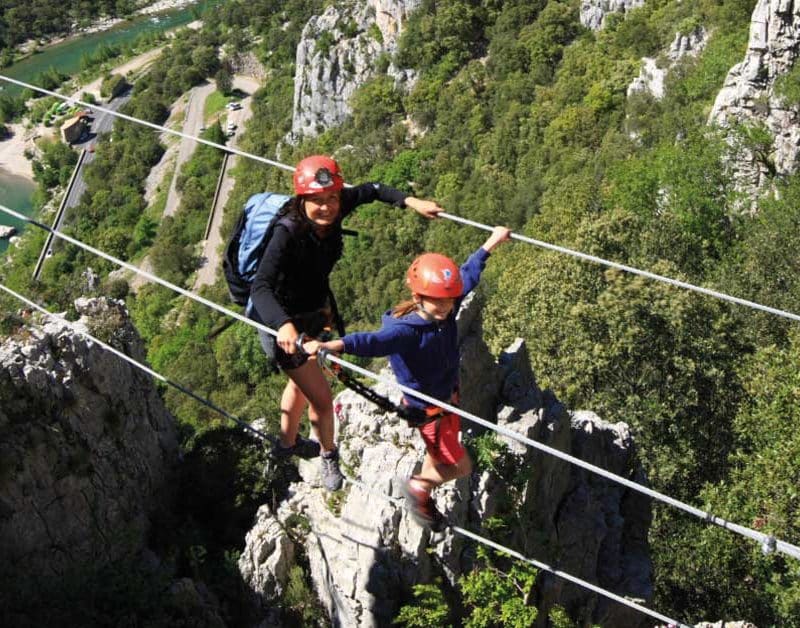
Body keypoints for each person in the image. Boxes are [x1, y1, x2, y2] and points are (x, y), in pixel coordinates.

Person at [250, 155, 442, 491]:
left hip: (315, 314)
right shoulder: (287, 232)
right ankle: (328, 454)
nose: (327, 208)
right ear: (301, 200)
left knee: (299, 384)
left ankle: (285, 443)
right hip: (284, 327)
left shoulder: (339, 203)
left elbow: (373, 190)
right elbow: (260, 286)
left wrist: (411, 202)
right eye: (317, 201)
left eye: (332, 199)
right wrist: (282, 325)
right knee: (322, 401)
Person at [302, 226, 512, 528]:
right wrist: (334, 344)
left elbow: (468, 274)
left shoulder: (445, 305)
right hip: (428, 409)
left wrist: (492, 242)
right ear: (418, 296)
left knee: (438, 455)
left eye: (449, 301)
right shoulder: (406, 330)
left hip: (445, 398)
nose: (445, 307)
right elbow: (373, 341)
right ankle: (419, 488)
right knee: (462, 466)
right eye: (438, 301)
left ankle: (423, 489)